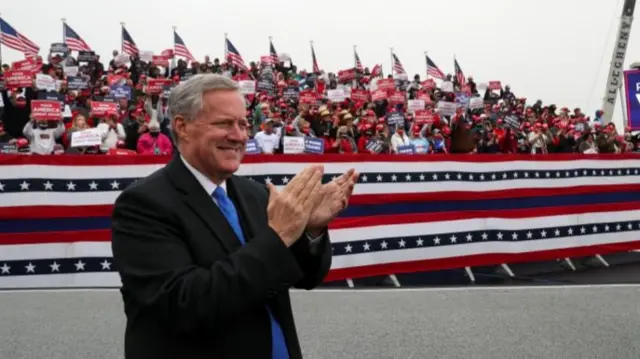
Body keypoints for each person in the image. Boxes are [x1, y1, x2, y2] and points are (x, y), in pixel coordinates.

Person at [111, 73, 358, 359]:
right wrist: (278, 236)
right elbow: (185, 305)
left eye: (243, 124)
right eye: (224, 123)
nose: (239, 135)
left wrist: (310, 231)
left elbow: (304, 276)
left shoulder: (256, 194)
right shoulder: (143, 205)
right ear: (182, 127)